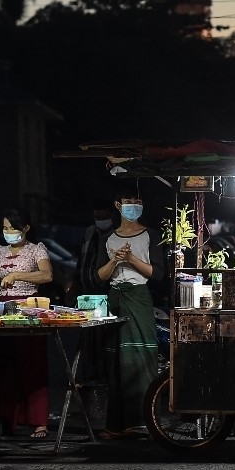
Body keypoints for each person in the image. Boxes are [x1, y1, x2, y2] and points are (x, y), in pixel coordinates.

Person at [0, 208, 53, 438]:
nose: (7, 232)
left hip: (29, 309)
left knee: (32, 363)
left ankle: (39, 422)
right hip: (2, 311)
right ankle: (8, 420)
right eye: (5, 228)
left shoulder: (37, 249)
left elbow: (47, 275)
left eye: (12, 228)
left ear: (25, 228)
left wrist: (17, 276)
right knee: (6, 364)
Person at [96, 187, 159, 439]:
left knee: (142, 357)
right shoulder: (108, 239)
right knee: (115, 362)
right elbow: (99, 276)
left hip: (139, 297)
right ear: (117, 204)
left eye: (138, 201)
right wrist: (115, 261)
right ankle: (116, 424)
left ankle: (144, 421)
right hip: (115, 299)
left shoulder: (149, 235)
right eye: (128, 201)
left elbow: (158, 273)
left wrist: (131, 259)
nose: (133, 205)